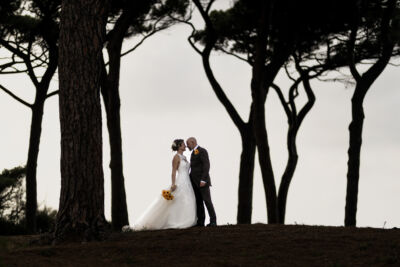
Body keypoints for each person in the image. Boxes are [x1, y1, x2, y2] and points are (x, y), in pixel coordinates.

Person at [131, 139, 197, 230]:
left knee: (188, 199)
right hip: (181, 180)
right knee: (178, 200)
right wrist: (173, 184)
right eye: (183, 145)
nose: (185, 146)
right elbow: (173, 172)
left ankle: (186, 219)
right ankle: (174, 221)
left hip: (187, 181)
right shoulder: (176, 157)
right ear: (179, 146)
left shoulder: (184, 157)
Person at [186, 137, 217, 227]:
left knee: (207, 201)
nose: (187, 146)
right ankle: (201, 221)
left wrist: (203, 179)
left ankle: (213, 221)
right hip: (194, 183)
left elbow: (206, 165)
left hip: (202, 182)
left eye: (188, 144)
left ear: (193, 142)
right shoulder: (192, 153)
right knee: (198, 202)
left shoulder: (202, 151)